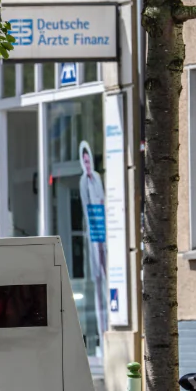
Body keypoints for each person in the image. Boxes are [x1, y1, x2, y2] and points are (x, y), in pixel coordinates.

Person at [78, 141, 108, 335]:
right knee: (97, 279)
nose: (88, 165)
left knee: (107, 278)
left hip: (103, 235)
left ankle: (108, 324)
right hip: (93, 236)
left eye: (89, 161)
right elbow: (86, 210)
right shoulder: (83, 182)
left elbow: (103, 201)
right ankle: (101, 328)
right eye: (85, 161)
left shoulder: (97, 178)